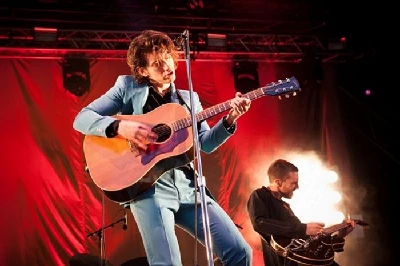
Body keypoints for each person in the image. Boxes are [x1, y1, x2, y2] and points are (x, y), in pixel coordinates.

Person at [73, 29, 252, 266]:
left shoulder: (190, 98)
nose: (168, 65)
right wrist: (119, 127)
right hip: (149, 190)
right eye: (157, 63)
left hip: (189, 187)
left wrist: (229, 120)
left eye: (168, 57)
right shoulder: (126, 87)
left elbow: (205, 144)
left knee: (240, 252)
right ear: (142, 71)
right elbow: (82, 118)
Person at [247, 159, 355, 266]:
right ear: (278, 182)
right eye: (293, 183)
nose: (297, 187)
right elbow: (259, 223)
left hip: (301, 261)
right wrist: (303, 228)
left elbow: (307, 241)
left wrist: (340, 235)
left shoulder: (285, 207)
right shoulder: (260, 195)